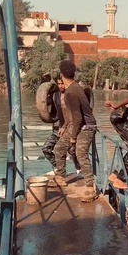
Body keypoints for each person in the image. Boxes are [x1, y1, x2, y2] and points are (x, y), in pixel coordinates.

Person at [53, 60, 98, 202]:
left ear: (61, 75)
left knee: (80, 153)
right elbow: (73, 116)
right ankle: (60, 177)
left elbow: (78, 118)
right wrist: (66, 126)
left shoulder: (71, 92)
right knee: (59, 149)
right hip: (75, 124)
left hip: (87, 126)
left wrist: (73, 138)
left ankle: (91, 188)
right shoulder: (74, 88)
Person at [42, 77, 81, 176]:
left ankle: (79, 169)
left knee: (72, 150)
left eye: (62, 84)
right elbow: (46, 104)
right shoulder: (55, 96)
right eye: (59, 84)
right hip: (59, 128)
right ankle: (58, 168)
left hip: (71, 128)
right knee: (46, 148)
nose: (60, 86)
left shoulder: (72, 95)